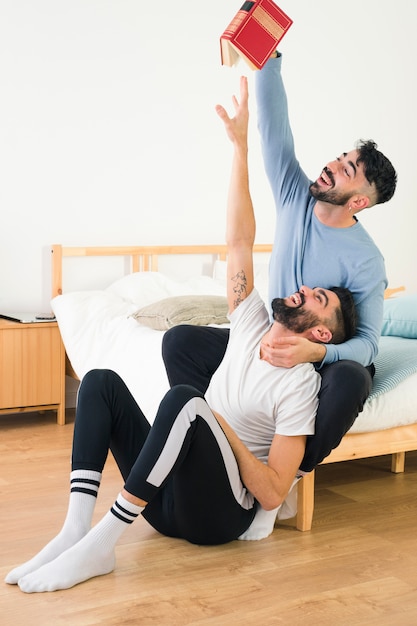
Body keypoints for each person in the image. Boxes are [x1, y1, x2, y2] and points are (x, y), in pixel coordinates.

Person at [5, 76, 356, 593]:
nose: (303, 290)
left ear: (321, 333)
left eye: (316, 298)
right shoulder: (251, 322)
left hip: (220, 517)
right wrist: (239, 148)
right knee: (99, 381)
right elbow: (239, 241)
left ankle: (103, 543)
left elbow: (275, 493)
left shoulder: (301, 385)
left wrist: (218, 424)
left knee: (187, 399)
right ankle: (76, 530)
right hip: (165, 507)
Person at [162, 51, 397, 476]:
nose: (330, 166)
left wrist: (315, 350)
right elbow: (275, 130)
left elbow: (367, 344)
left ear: (359, 201)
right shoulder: (296, 195)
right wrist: (267, 56)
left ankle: (284, 473)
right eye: (339, 158)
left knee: (353, 378)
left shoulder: (367, 260)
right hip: (264, 342)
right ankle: (203, 436)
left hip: (314, 355)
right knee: (180, 341)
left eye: (345, 171)